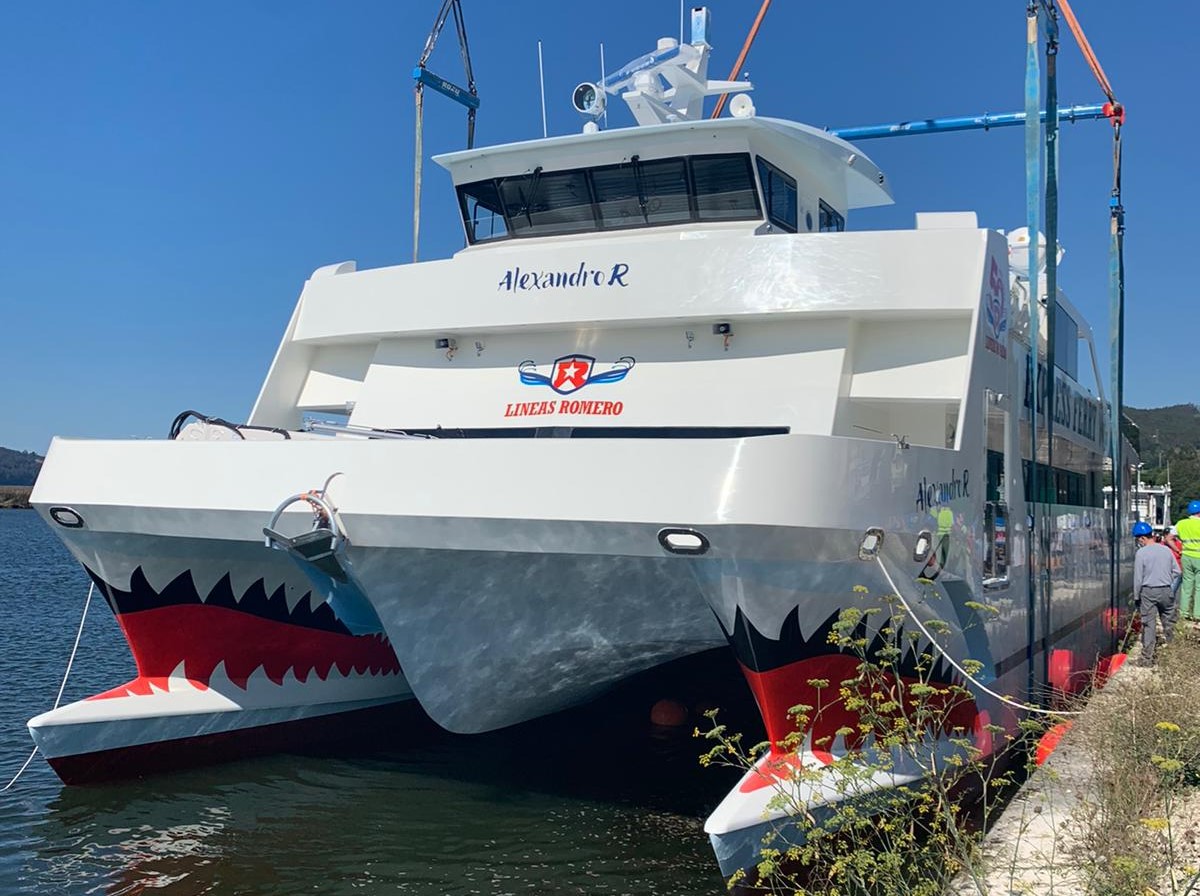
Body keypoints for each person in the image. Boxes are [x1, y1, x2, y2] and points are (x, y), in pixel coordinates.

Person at [1132, 520, 1179, 666]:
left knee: (1149, 625)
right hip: (1166, 590)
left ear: (1142, 538)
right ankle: (1175, 654)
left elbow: (1138, 578)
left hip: (1148, 592)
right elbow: (1177, 571)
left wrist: (1136, 597)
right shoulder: (1166, 550)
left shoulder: (1141, 553)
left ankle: (1147, 659)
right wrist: (1167, 583)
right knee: (1169, 622)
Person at [1177, 500, 1200, 621]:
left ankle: (1184, 613)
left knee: (1186, 586)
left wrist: (1178, 550)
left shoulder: (1181, 524)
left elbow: (1169, 537)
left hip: (1185, 556)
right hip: (1199, 557)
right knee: (1199, 587)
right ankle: (1198, 614)